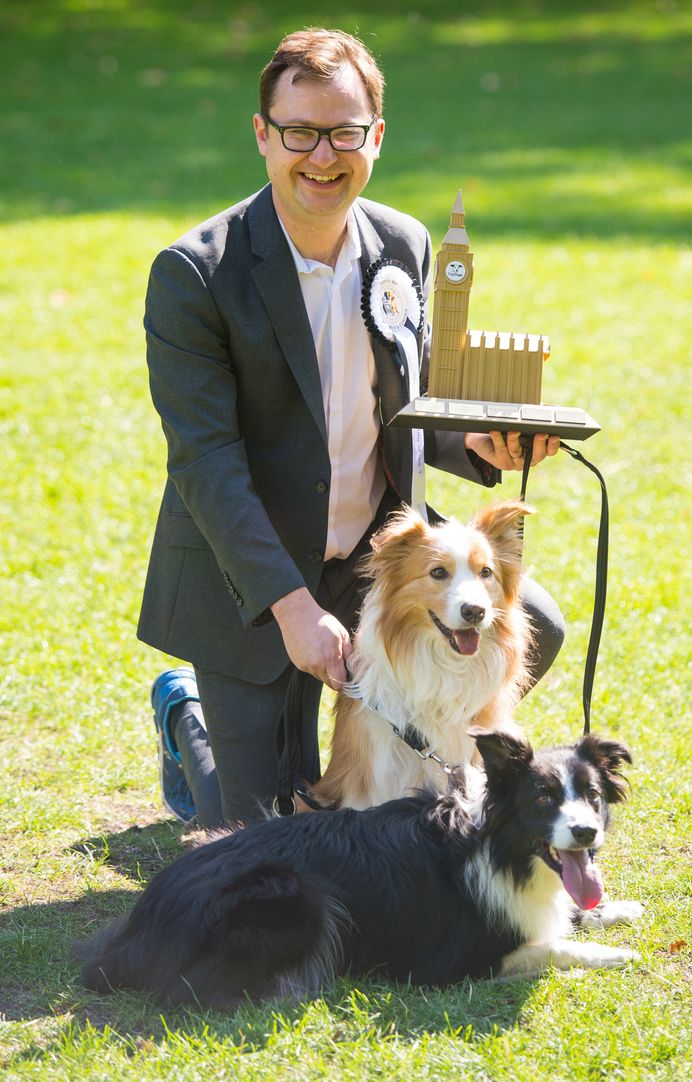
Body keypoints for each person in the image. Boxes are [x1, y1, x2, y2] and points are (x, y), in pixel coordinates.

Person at [138, 28, 563, 829]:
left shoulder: (402, 242)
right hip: (252, 579)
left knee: (541, 620)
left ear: (377, 137)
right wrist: (294, 612)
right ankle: (187, 719)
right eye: (299, 132)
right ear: (263, 135)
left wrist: (479, 444)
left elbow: (414, 404)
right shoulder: (194, 272)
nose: (322, 156)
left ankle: (419, 756)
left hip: (374, 561)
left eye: (344, 133)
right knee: (269, 828)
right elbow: (208, 465)